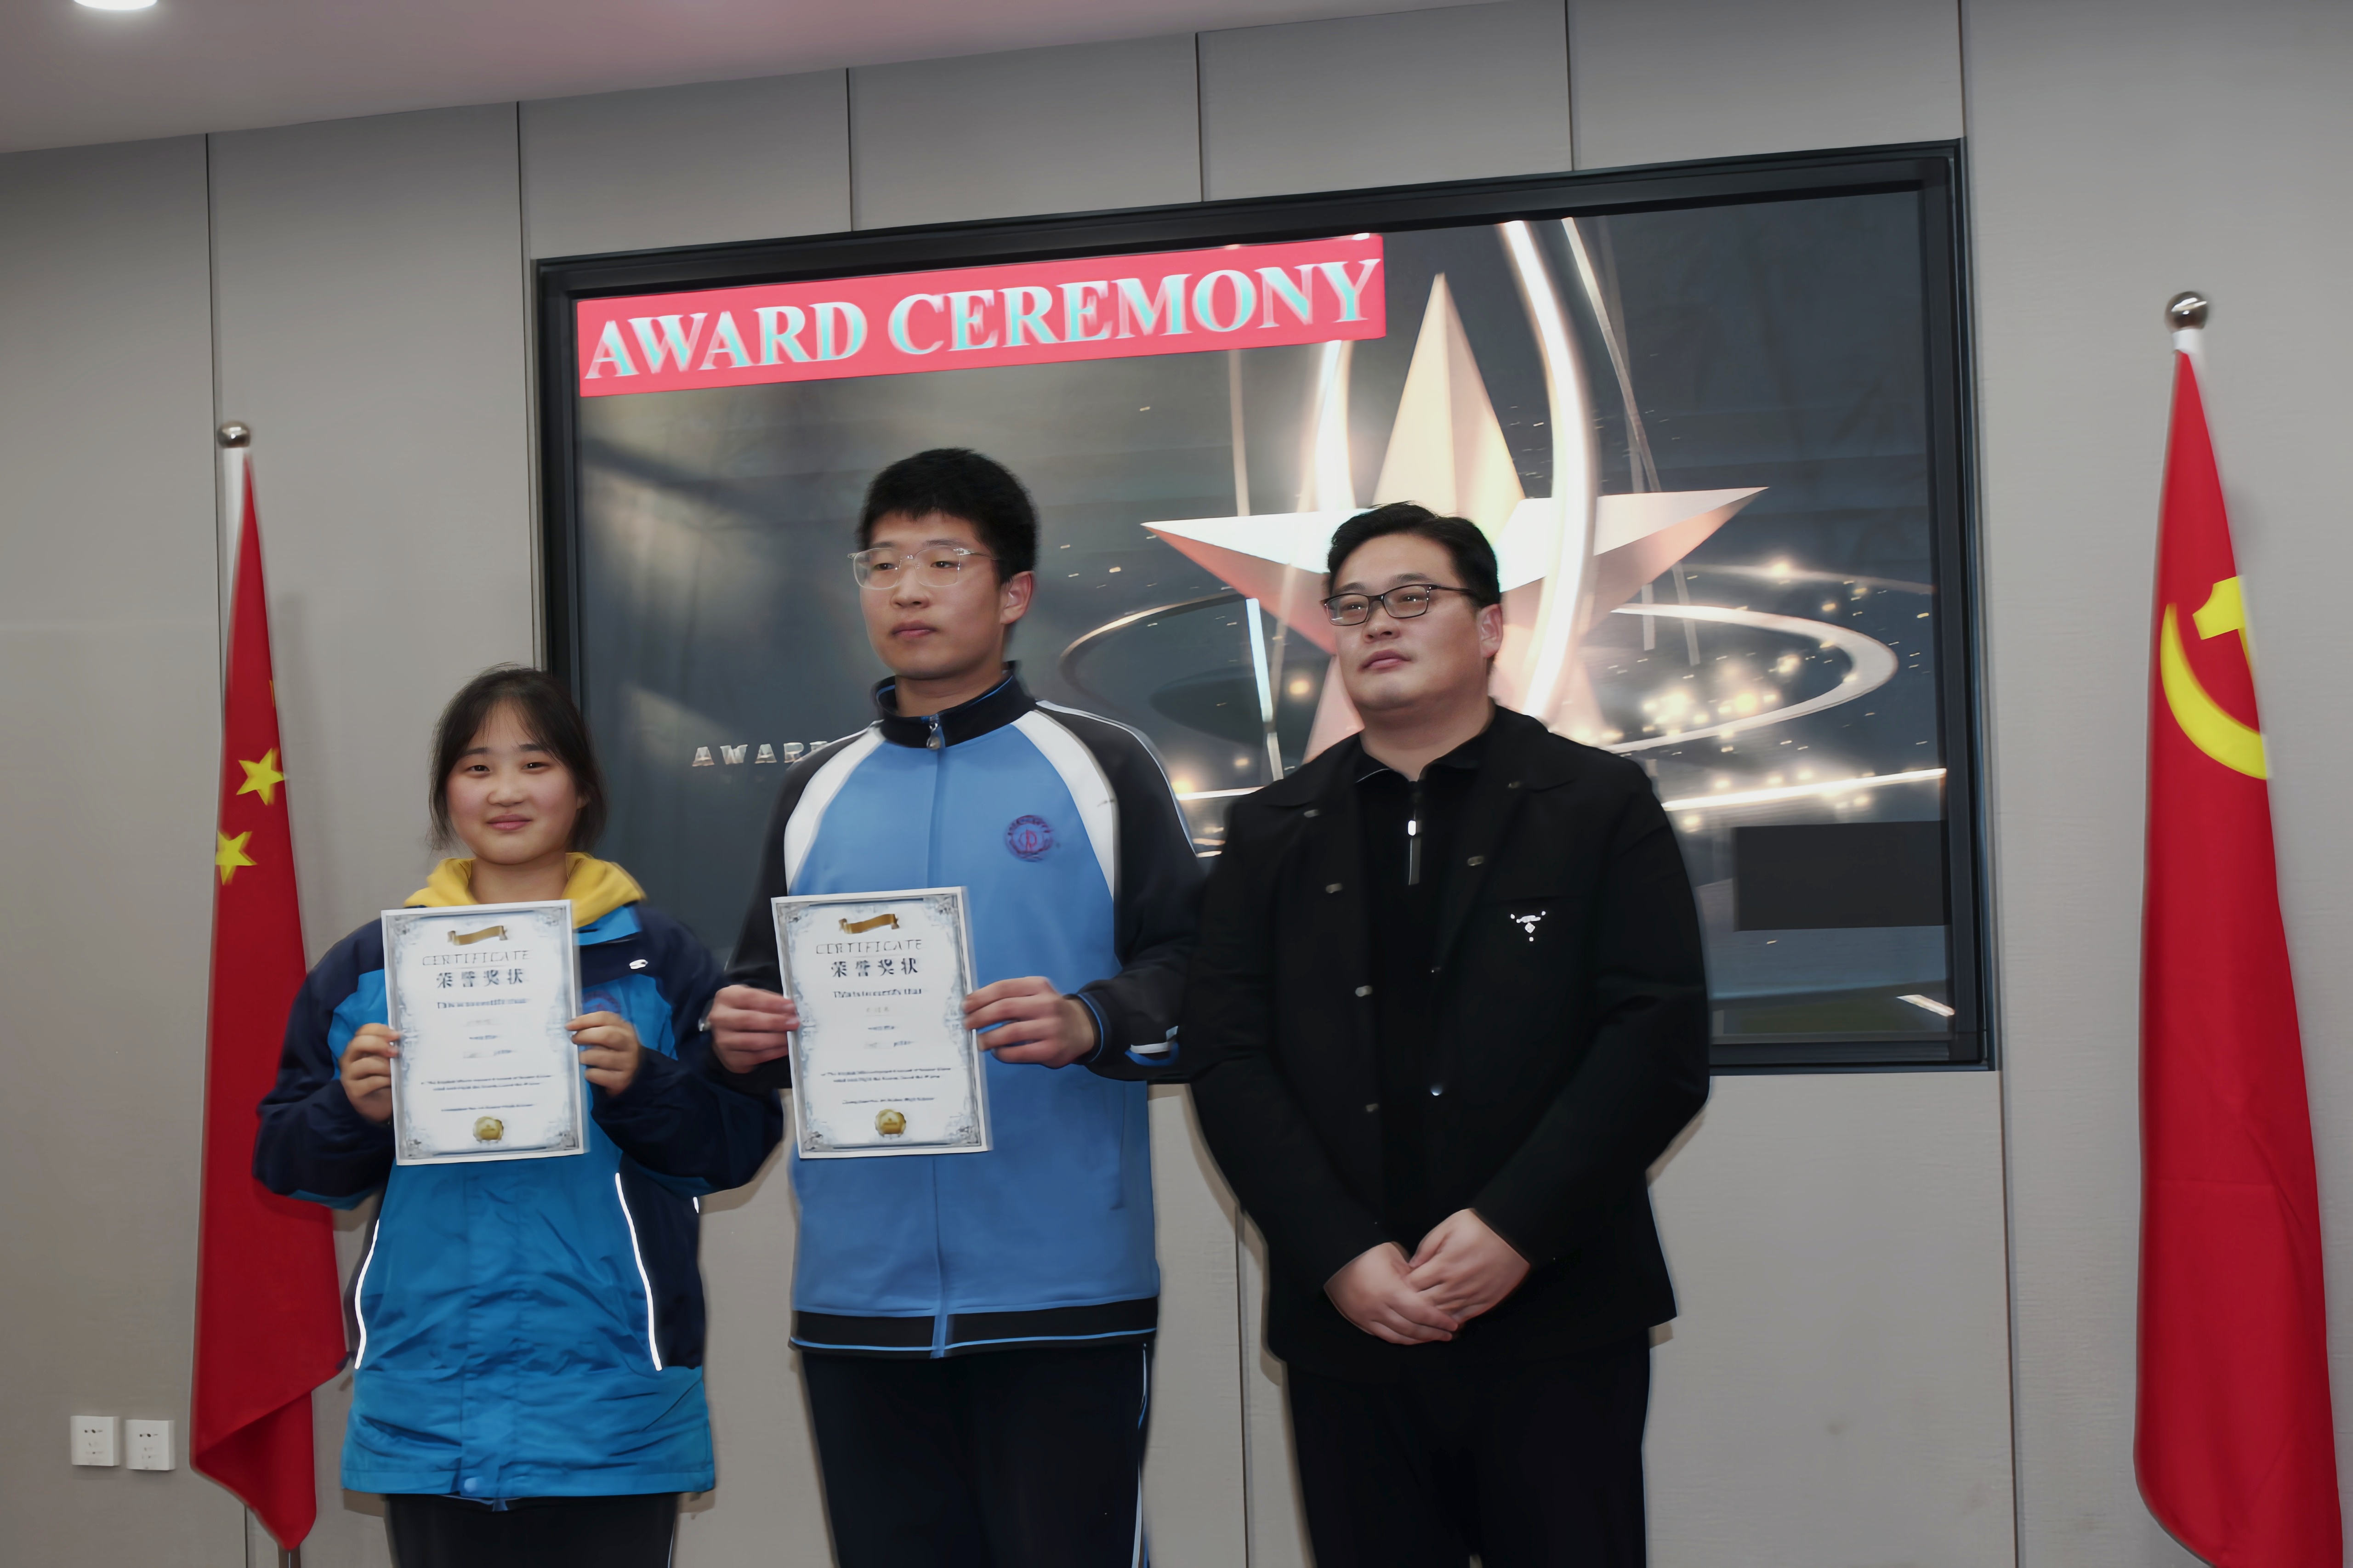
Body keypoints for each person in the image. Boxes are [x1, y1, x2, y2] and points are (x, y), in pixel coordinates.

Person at [1184, 503, 1709, 1568]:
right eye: (1352, 607)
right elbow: (1227, 1056)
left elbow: (1655, 1037)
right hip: (1352, 1319)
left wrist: (1515, 1225)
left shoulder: (1596, 801)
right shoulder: (1271, 829)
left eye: (1412, 597)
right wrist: (1337, 1251)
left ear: (1490, 625)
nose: (1378, 623)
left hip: (1556, 1305)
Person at [705, 448, 1199, 1567]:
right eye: (882, 564)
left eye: (943, 561)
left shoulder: (1100, 765)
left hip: (1063, 1285)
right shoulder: (816, 788)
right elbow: (763, 998)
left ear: (1014, 592)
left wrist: (1093, 1018)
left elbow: (1199, 967)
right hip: (859, 1293)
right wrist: (738, 1034)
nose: (908, 590)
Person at [253, 665, 781, 1568]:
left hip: (612, 1401)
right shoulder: (371, 966)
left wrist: (643, 1082)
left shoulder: (659, 958)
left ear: (582, 788)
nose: (505, 790)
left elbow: (731, 1146)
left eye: (535, 764)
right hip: (430, 1399)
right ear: (445, 796)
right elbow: (286, 1161)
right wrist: (352, 1108)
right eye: (476, 767)